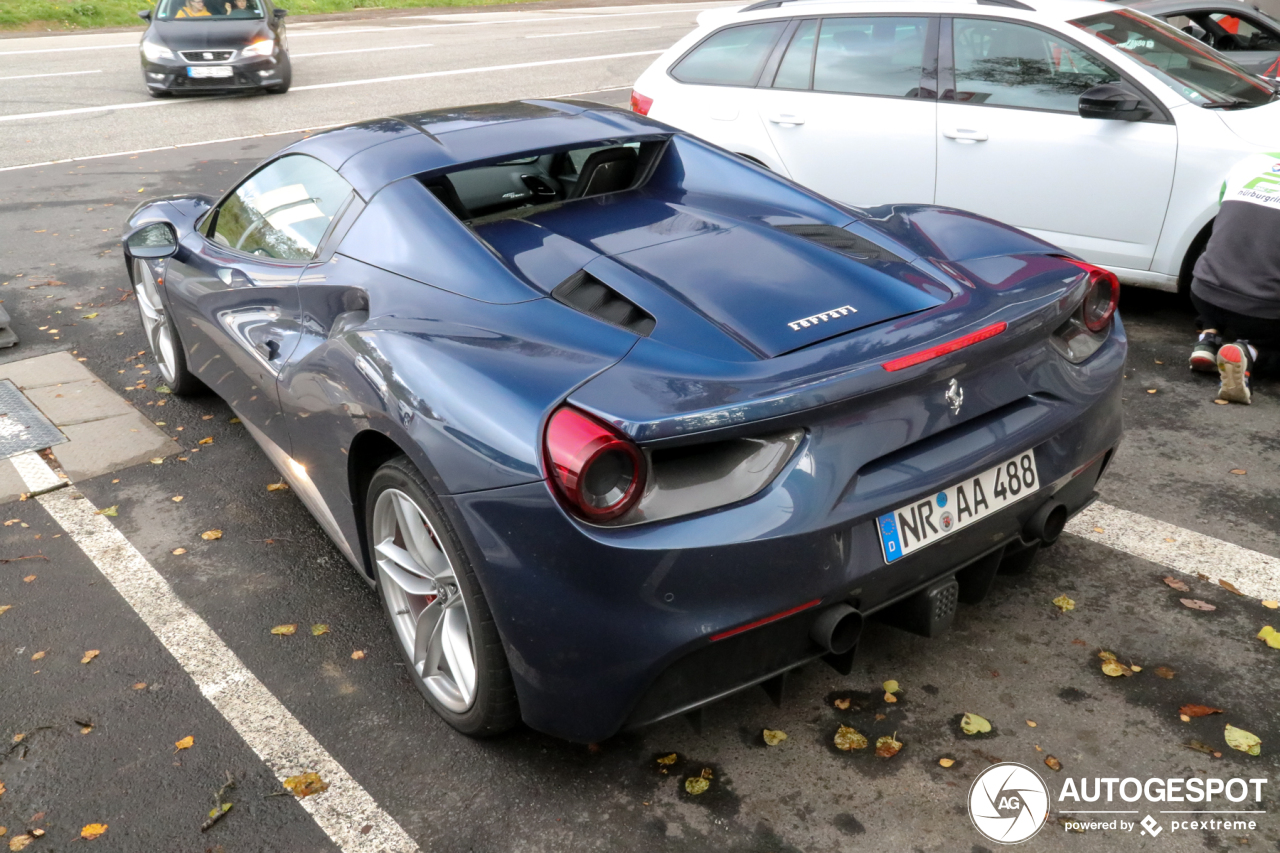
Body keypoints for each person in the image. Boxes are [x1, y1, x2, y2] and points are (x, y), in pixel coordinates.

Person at [1187, 151, 1280, 404]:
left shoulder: (1252, 162)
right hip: (1260, 311)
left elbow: (1225, 212)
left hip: (1204, 290)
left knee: (1235, 260)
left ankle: (1208, 338)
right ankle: (1251, 353)